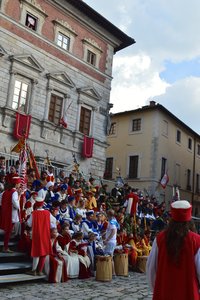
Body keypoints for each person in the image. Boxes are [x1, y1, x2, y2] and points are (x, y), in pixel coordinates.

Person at [146, 200, 200, 300]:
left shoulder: (160, 239)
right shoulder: (196, 241)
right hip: (189, 293)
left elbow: (151, 269)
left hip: (164, 292)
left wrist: (157, 288)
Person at [26, 196, 53, 275]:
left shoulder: (34, 213)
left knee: (36, 253)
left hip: (37, 235)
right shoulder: (48, 213)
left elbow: (29, 224)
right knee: (44, 252)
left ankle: (34, 270)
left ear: (36, 205)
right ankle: (40, 271)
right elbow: (53, 223)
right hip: (46, 234)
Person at [0, 176, 21, 252]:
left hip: (6, 213)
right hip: (11, 214)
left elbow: (1, 201)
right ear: (16, 184)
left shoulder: (5, 192)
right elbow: (16, 204)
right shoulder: (14, 192)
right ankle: (5, 247)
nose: (19, 185)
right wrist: (19, 197)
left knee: (8, 231)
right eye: (19, 183)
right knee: (8, 232)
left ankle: (5, 247)